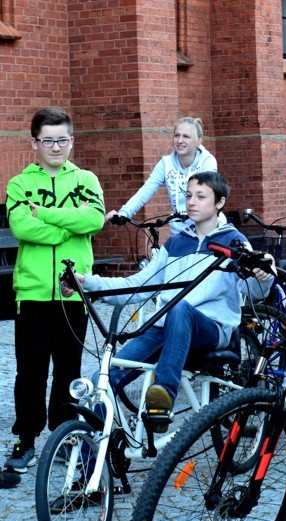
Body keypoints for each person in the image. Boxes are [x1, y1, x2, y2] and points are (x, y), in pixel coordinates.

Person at [64, 172, 272, 431]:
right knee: (102, 381)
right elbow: (138, 286)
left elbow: (254, 291)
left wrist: (263, 277)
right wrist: (87, 282)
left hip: (211, 328)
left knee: (180, 308)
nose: (191, 202)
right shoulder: (175, 243)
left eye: (201, 196)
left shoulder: (234, 241)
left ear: (220, 202)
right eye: (188, 195)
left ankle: (163, 395)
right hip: (164, 329)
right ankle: (88, 452)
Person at [4, 107, 105, 473]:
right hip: (32, 292)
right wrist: (69, 226)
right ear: (35, 143)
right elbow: (21, 228)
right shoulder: (19, 184)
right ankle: (26, 439)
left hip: (72, 292)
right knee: (30, 372)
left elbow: (94, 219)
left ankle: (64, 436)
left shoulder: (86, 179)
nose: (56, 146)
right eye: (48, 140)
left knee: (68, 369)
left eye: (62, 139)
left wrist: (44, 215)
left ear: (72, 141)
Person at [106, 117, 217, 233]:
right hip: (180, 231)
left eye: (186, 136)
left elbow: (209, 195)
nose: (179, 140)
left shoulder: (207, 162)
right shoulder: (166, 163)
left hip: (206, 229)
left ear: (198, 142)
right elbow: (146, 190)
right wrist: (124, 214)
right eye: (176, 135)